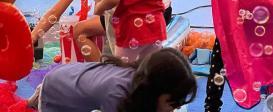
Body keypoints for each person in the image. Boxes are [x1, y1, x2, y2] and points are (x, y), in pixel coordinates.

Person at [27, 47, 197, 112]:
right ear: (155, 90)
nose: (177, 108)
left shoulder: (138, 80)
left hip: (69, 76)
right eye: (173, 104)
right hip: (56, 93)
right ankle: (39, 98)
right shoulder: (118, 95)